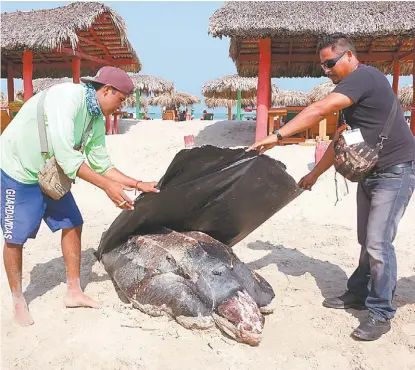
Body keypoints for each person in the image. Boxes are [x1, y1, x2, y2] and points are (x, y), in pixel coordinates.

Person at [247, 34, 415, 341]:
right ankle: (358, 291)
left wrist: (278, 135)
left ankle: (380, 312)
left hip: (395, 172)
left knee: (379, 243)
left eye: (329, 63)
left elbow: (320, 108)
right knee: (367, 239)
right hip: (371, 174)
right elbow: (340, 139)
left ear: (349, 56)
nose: (326, 70)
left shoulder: (364, 77)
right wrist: (315, 176)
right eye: (323, 65)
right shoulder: (351, 93)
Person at [0, 66, 160, 327]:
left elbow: (101, 164)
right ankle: (18, 299)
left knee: (73, 222)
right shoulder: (67, 98)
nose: (120, 107)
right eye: (120, 99)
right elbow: (67, 157)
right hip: (18, 169)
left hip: (50, 171)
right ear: (106, 90)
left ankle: (73, 291)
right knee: (15, 237)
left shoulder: (96, 117)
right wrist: (107, 187)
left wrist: (138, 183)